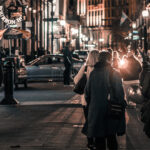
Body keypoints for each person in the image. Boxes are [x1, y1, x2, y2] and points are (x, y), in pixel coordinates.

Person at [83, 51, 126, 150]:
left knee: (99, 139)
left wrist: (92, 105)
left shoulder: (93, 73)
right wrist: (122, 104)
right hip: (110, 110)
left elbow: (87, 92)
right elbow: (119, 94)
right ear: (109, 60)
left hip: (96, 111)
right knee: (111, 138)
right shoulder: (114, 73)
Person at [74, 50, 99, 149]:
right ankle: (97, 140)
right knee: (97, 120)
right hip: (97, 99)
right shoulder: (100, 69)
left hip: (86, 99)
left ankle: (90, 142)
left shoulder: (85, 67)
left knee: (88, 120)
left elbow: (76, 79)